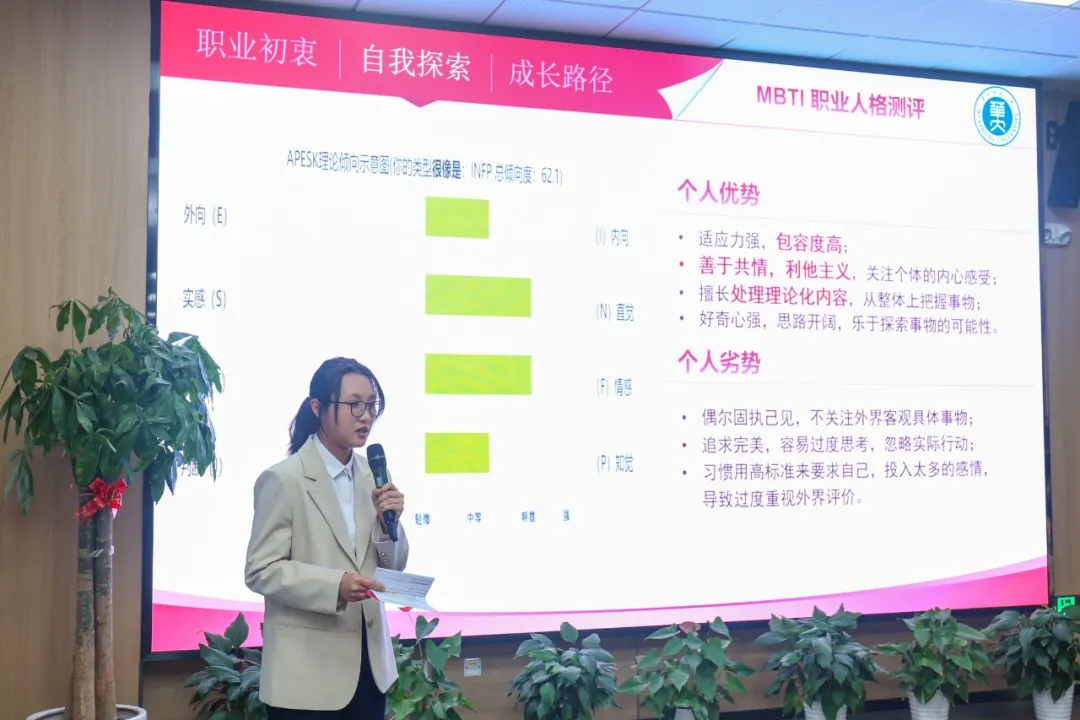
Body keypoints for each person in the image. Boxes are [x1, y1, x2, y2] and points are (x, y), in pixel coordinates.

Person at [245, 357, 408, 719]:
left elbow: (393, 567)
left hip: (369, 671)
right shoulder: (284, 480)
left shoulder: (373, 475)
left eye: (371, 405)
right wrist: (335, 586)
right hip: (306, 679)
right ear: (318, 408)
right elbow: (261, 570)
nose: (365, 416)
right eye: (354, 404)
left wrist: (389, 525)